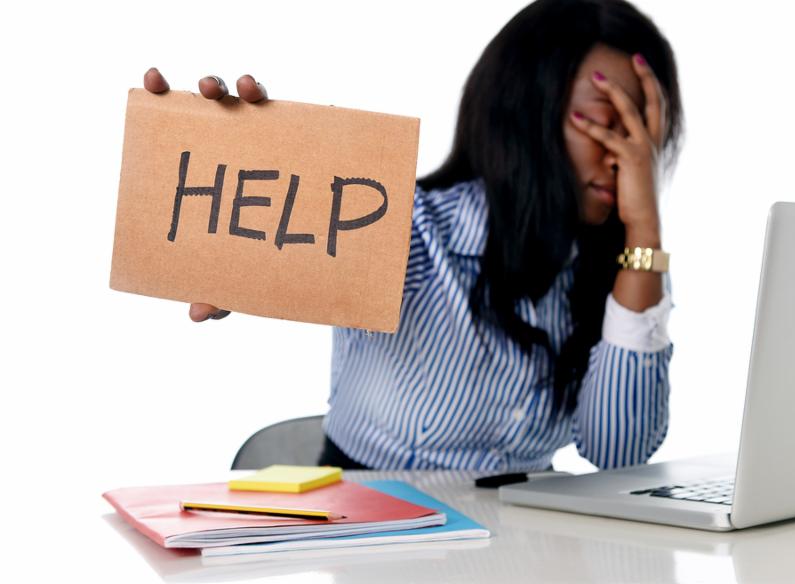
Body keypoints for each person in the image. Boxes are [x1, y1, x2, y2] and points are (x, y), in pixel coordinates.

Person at [144, 0, 683, 472]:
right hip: (377, 538)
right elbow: (301, 238)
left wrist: (645, 231)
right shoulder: (413, 233)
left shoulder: (627, 273)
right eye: (605, 125)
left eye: (644, 135)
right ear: (525, 117)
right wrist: (235, 167)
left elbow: (620, 452)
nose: (628, 159)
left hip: (522, 546)